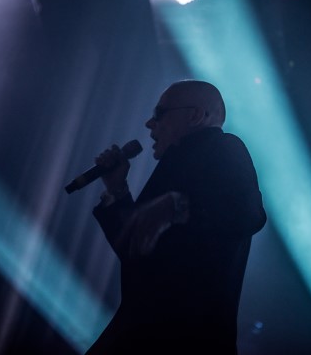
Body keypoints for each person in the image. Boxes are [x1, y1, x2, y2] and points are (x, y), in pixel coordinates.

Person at [85, 80, 267, 355]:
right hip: (141, 335)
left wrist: (177, 205)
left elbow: (249, 213)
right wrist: (117, 190)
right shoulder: (174, 165)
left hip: (186, 339)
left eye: (159, 114)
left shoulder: (225, 147)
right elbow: (136, 250)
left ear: (194, 116)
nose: (149, 124)